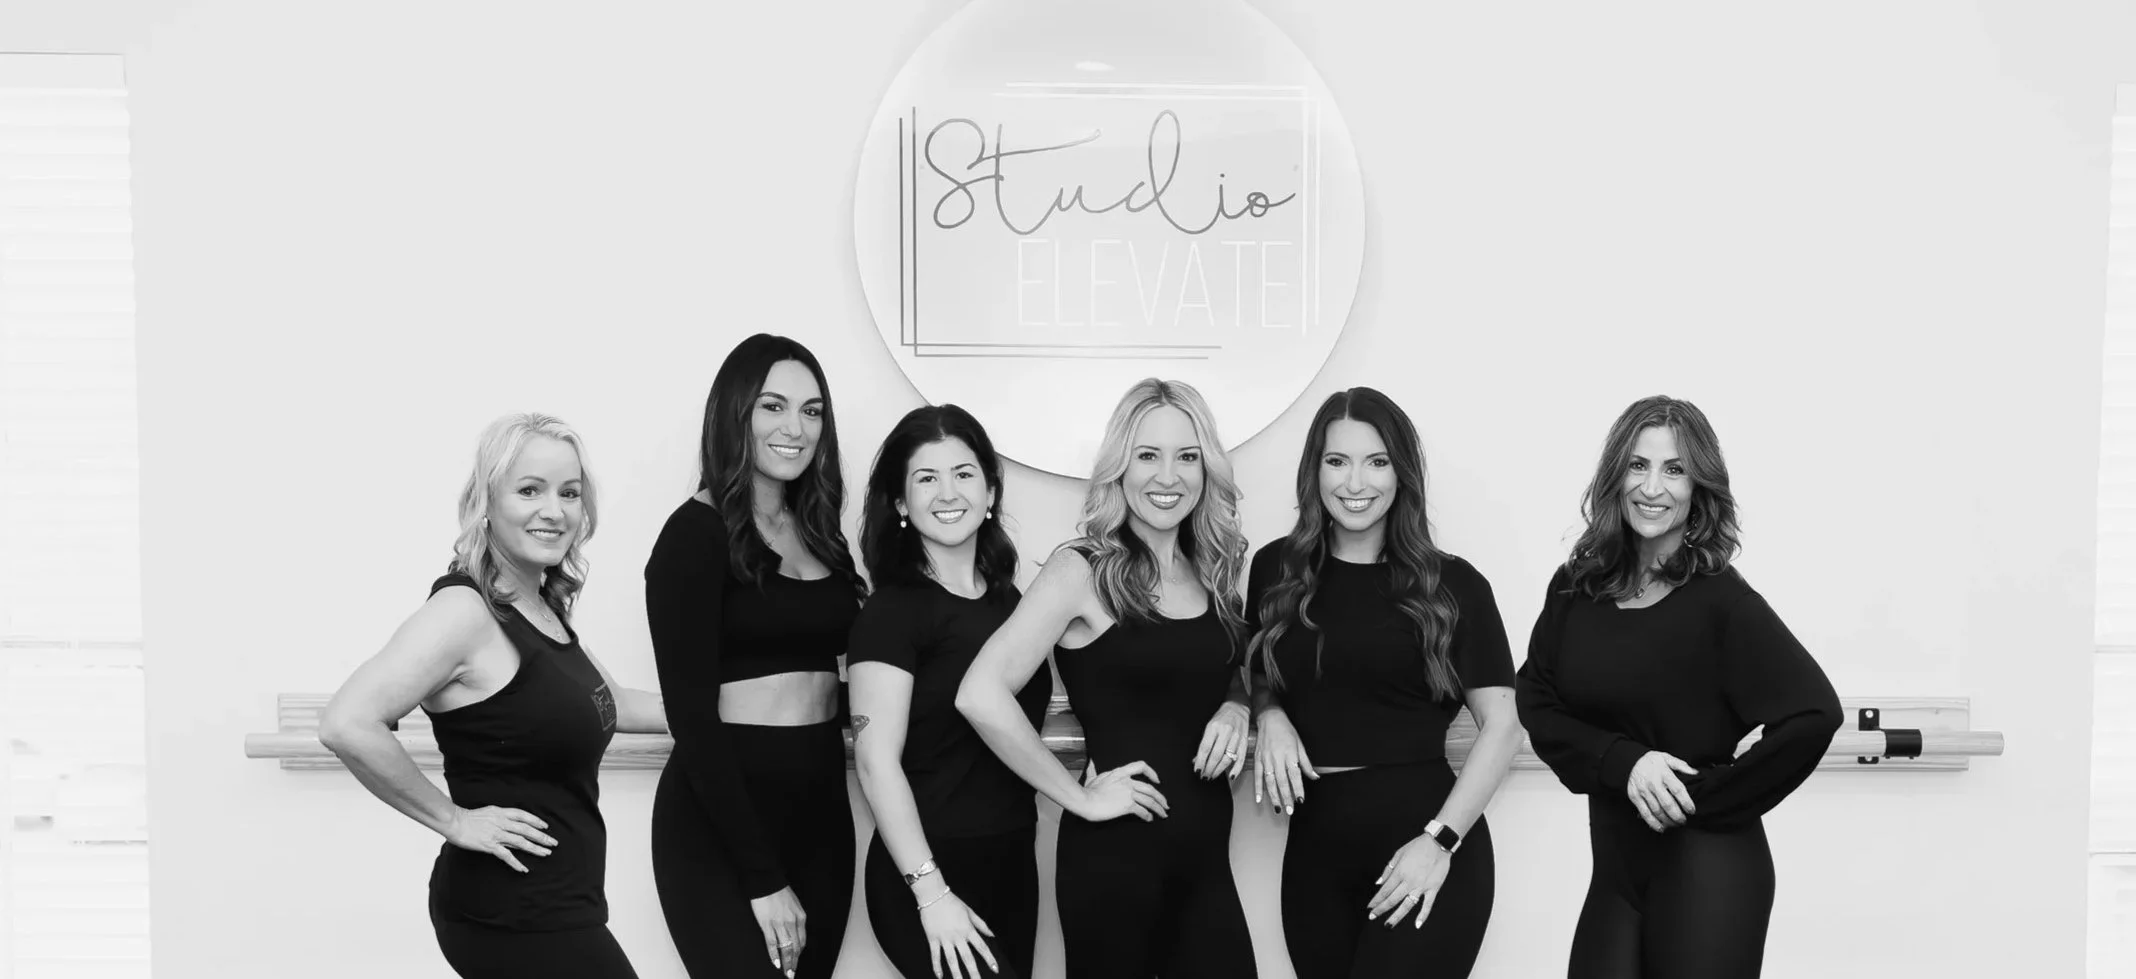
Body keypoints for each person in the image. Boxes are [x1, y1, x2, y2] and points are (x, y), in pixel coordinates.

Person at [319, 412, 665, 979]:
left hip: (558, 906)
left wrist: (744, 708)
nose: (554, 510)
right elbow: (346, 722)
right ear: (485, 502)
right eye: (529, 490)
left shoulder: (538, 608)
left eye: (569, 493)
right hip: (508, 914)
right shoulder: (464, 611)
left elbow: (615, 704)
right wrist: (454, 820)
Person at [1514, 395, 1843, 979]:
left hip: (1709, 869)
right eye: (1638, 466)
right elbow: (1537, 703)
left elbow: (1815, 714)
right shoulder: (1575, 587)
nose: (1652, 487)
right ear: (1615, 476)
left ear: (1698, 487)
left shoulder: (1722, 600)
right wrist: (1626, 762)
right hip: (1614, 870)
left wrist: (1703, 797)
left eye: (1674, 470)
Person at [957, 377, 1257, 979]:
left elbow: (1217, 672)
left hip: (1205, 864)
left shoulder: (1214, 570)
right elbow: (979, 694)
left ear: (1206, 469)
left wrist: (1237, 705)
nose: (1168, 476)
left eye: (1187, 456)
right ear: (1120, 466)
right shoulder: (1083, 568)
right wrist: (1077, 799)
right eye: (1147, 455)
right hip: (1114, 867)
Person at [1246, 387, 1522, 979]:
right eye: (1337, 461)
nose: (1356, 482)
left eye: (1377, 462)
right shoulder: (1275, 570)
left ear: (1402, 474)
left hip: (1424, 847)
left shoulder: (1454, 585)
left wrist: (1439, 842)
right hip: (1314, 855)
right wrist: (1269, 715)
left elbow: (1502, 728)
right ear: (1314, 470)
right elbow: (1256, 670)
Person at [644, 334, 866, 979]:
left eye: (812, 411)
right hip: (722, 822)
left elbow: (844, 676)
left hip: (822, 812)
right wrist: (761, 878)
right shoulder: (693, 535)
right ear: (734, 413)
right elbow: (692, 718)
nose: (795, 428)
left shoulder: (822, 534)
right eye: (773, 406)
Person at [848, 405, 1049, 979]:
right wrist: (931, 894)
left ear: (990, 492)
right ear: (900, 503)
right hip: (927, 873)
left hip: (1012, 864)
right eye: (926, 478)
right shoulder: (890, 612)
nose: (947, 493)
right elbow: (875, 762)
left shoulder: (1012, 604)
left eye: (963, 473)